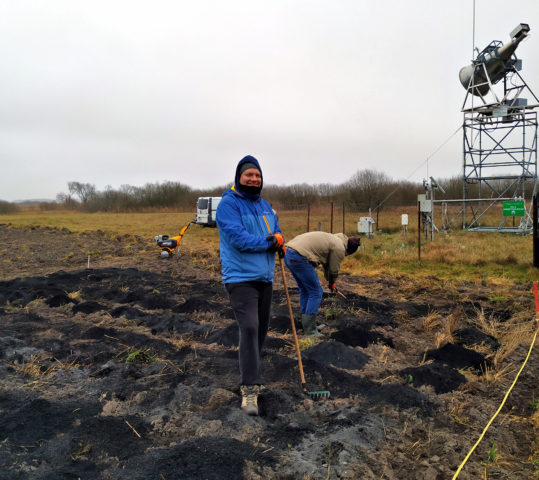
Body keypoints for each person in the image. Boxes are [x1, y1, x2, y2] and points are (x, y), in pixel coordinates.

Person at [215, 155, 284, 416]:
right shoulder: (228, 205)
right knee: (250, 328)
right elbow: (240, 240)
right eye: (249, 175)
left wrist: (281, 242)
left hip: (265, 278)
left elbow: (277, 231)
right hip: (240, 278)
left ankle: (251, 372)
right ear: (239, 177)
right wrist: (271, 242)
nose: (254, 179)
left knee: (261, 332)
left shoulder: (265, 206)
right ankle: (249, 389)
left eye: (257, 175)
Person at [284, 231, 361, 336]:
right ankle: (310, 331)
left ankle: (307, 325)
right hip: (299, 256)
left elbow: (327, 265)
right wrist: (332, 282)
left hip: (288, 253)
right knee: (316, 291)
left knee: (305, 290)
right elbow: (333, 269)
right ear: (348, 251)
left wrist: (330, 283)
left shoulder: (334, 239)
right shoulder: (339, 248)